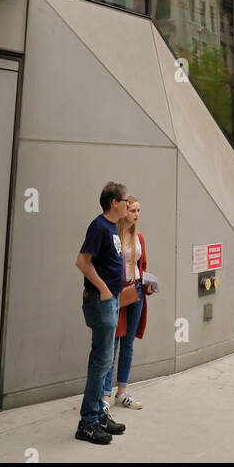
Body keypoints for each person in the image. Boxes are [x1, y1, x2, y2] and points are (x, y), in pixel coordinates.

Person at [74, 182, 130, 445]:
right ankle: (87, 422)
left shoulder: (113, 228)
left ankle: (98, 415)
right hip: (102, 300)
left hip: (112, 300)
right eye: (126, 201)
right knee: (101, 362)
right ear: (114, 203)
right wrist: (105, 289)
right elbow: (82, 261)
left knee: (104, 361)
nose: (129, 205)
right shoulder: (99, 227)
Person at [102, 197, 155, 410]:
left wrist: (148, 283)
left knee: (129, 343)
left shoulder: (139, 238)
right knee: (113, 343)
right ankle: (104, 396)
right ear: (124, 211)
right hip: (119, 292)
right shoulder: (115, 235)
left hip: (137, 291)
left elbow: (142, 265)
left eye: (139, 210)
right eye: (132, 210)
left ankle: (122, 391)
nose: (136, 214)